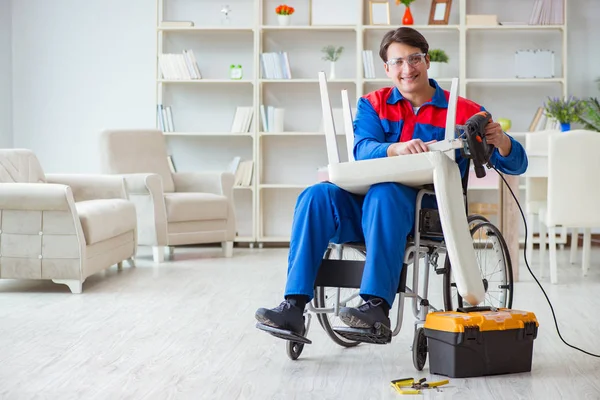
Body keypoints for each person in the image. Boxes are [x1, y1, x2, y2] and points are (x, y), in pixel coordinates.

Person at [255, 27, 528, 339]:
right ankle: (293, 306)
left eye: (414, 59)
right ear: (386, 68)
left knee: (386, 192)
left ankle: (375, 307)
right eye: (397, 62)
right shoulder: (372, 104)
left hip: (427, 214)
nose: (407, 69)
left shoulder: (466, 111)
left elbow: (517, 164)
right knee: (315, 196)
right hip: (366, 210)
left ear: (427, 61)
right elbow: (362, 149)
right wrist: (395, 148)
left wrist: (503, 141)